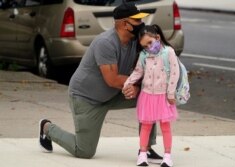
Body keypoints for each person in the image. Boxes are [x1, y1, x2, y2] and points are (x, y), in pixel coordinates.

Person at [39, 2, 162, 162]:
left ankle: (146, 149)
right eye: (137, 20)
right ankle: (47, 128)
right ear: (125, 24)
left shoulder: (135, 41)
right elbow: (112, 80)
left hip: (113, 94)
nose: (142, 24)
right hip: (86, 99)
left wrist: (144, 85)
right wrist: (138, 85)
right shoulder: (105, 43)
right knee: (84, 151)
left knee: (150, 96)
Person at [123, 24, 180, 167]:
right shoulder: (144, 55)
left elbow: (174, 73)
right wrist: (128, 83)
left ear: (157, 37)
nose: (148, 47)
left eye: (150, 43)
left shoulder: (169, 52)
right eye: (145, 46)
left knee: (165, 126)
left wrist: (171, 92)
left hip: (163, 96)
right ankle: (142, 154)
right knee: (146, 126)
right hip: (147, 95)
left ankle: (167, 156)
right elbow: (138, 71)